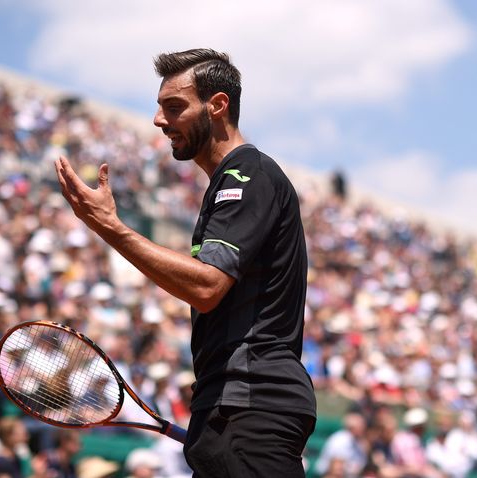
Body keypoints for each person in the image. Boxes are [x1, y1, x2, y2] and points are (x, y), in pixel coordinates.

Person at [54, 48, 316, 477]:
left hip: (249, 407)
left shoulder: (247, 175)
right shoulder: (231, 181)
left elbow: (206, 287)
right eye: (159, 108)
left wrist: (109, 227)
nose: (159, 120)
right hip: (231, 408)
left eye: (174, 107)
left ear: (217, 106)